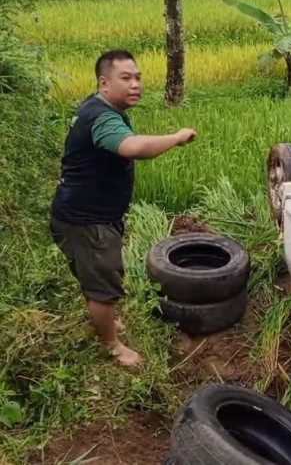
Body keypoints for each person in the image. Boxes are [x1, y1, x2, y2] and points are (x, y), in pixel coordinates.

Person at [49, 49, 197, 367]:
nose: (135, 84)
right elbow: (133, 147)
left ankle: (105, 320)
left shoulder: (97, 106)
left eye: (138, 77)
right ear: (104, 83)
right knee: (104, 284)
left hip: (80, 214)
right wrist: (176, 137)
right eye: (125, 78)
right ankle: (110, 344)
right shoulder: (101, 117)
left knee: (96, 276)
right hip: (88, 222)